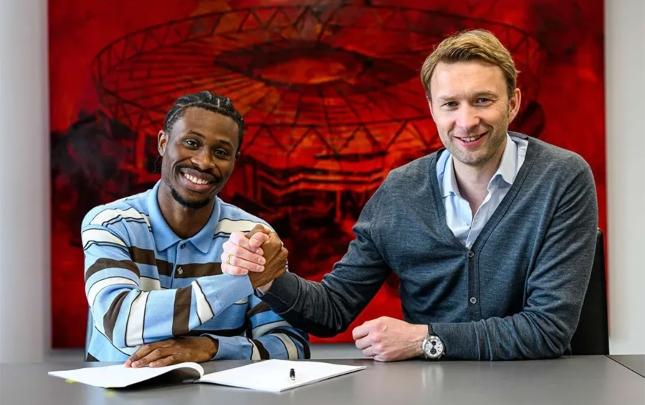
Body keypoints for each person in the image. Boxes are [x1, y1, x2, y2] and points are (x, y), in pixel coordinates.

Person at [220, 29, 598, 361]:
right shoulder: (400, 191)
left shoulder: (561, 177)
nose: (466, 121)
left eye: (483, 100)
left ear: (513, 103)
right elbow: (331, 309)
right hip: (430, 390)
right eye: (450, 104)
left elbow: (547, 329)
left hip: (535, 387)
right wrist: (269, 278)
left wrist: (424, 339)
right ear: (432, 108)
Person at [82, 91, 308, 365]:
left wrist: (212, 348)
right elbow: (121, 322)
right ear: (163, 143)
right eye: (191, 143)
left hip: (213, 389)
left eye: (221, 152)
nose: (204, 162)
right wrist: (241, 282)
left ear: (234, 161)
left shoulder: (252, 236)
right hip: (115, 388)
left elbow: (292, 346)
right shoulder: (110, 223)